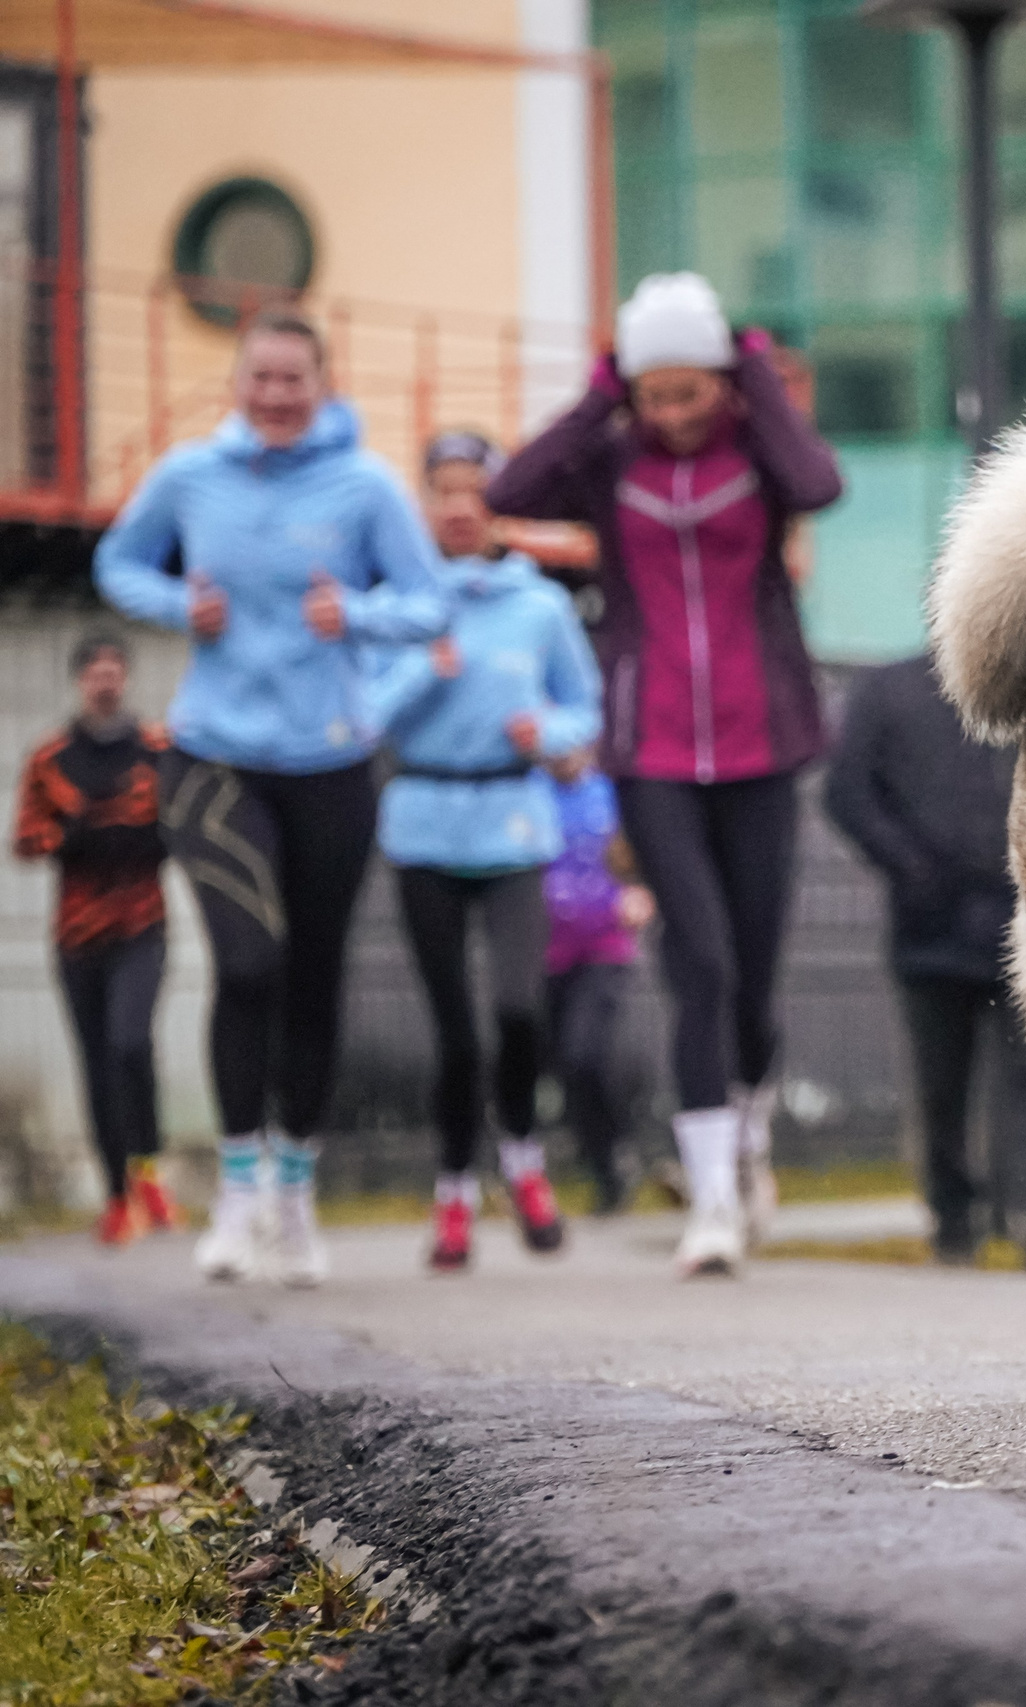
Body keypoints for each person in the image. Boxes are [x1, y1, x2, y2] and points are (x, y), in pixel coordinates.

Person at [485, 272, 843, 1278]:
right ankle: (713, 1202)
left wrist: (756, 376)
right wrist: (604, 390)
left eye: (693, 392)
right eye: (656, 395)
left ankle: (751, 1130)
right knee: (702, 965)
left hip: (762, 743)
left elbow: (819, 483)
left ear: (721, 382)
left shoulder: (759, 455)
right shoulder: (609, 462)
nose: (676, 414)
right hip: (651, 750)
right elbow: (510, 492)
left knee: (755, 979)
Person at [94, 309, 449, 1288]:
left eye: (295, 378)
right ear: (238, 383)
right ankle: (238, 1191)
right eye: (262, 377)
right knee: (247, 963)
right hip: (215, 756)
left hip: (331, 761)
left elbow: (429, 604)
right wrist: (179, 604)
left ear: (323, 384)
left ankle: (295, 1195)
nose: (277, 395)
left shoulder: (366, 485)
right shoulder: (189, 475)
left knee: (313, 976)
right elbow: (117, 562)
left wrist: (356, 612)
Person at [370, 430, 601, 1272]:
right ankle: (455, 1197)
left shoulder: (539, 605)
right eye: (444, 490)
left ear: (500, 503)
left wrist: (553, 733)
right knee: (456, 1034)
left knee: (516, 1010)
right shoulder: (396, 604)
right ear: (423, 503)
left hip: (513, 823)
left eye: (476, 489)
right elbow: (362, 714)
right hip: (424, 824)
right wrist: (423, 670)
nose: (461, 507)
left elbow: (585, 707)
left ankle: (526, 1165)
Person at [823, 653, 1026, 1270]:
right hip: (930, 930)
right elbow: (847, 793)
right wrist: (912, 870)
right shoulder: (888, 692)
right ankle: (954, 1218)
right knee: (941, 1084)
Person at [12, 634, 177, 1245]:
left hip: (142, 923)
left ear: (125, 678)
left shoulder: (157, 751)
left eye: (114, 671)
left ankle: (148, 1168)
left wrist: (147, 836)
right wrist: (72, 836)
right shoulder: (50, 759)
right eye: (95, 672)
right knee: (98, 1060)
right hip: (78, 934)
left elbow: (184, 821)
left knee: (131, 1043)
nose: (105, 681)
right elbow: (26, 838)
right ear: (81, 680)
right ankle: (115, 1196)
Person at [543, 747, 654, 1213]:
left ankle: (614, 1156)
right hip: (545, 953)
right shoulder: (527, 794)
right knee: (561, 1064)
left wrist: (642, 890)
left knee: (585, 1053)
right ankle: (596, 1158)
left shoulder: (613, 792)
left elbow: (650, 848)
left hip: (605, 948)